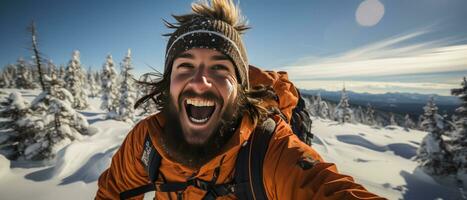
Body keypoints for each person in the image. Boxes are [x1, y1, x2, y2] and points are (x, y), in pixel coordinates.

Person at [96, 0, 385, 199]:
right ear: (167, 83)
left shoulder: (269, 151)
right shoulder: (146, 141)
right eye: (184, 66)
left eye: (220, 68)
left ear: (241, 89)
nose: (200, 81)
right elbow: (111, 193)